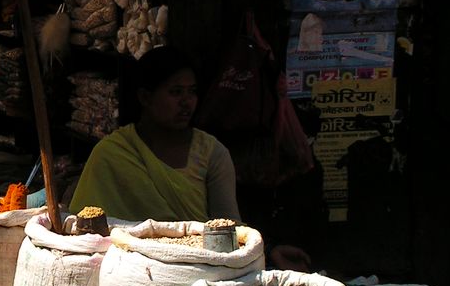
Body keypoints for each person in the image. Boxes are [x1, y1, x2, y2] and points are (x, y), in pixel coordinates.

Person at [69, 46, 311, 270]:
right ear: (145, 97)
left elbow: (228, 227)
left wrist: (269, 250)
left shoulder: (211, 153)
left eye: (192, 92)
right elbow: (87, 231)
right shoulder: (113, 152)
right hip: (126, 272)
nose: (186, 103)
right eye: (175, 93)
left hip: (196, 271)